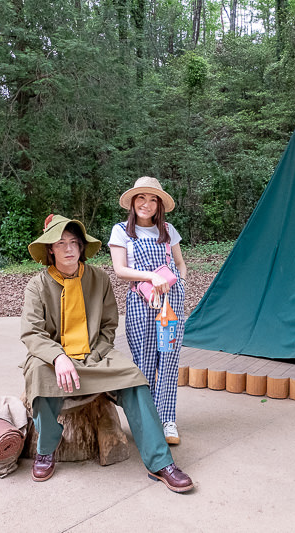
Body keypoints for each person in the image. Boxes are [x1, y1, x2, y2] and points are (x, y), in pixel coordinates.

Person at [20, 213, 193, 493]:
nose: (68, 249)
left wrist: (95, 353)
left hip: (96, 354)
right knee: (39, 377)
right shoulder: (37, 286)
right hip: (54, 357)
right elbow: (32, 333)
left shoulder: (98, 278)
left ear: (81, 247)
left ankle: (160, 463)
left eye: (74, 242)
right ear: (50, 249)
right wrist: (59, 357)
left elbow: (109, 325)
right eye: (60, 243)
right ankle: (46, 448)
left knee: (135, 378)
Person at [109, 176, 187, 445]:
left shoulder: (167, 230)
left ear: (159, 204)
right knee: (144, 360)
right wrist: (151, 278)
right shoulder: (121, 231)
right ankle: (145, 418)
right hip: (140, 303)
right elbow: (120, 270)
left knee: (169, 357)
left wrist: (182, 283)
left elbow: (180, 263)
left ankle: (167, 421)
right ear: (132, 202)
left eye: (153, 199)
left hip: (171, 305)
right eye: (141, 197)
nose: (146, 203)